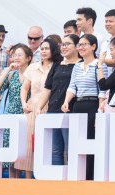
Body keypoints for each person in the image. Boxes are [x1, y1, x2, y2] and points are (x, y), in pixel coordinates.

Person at [62, 34, 106, 178]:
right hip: (78, 105)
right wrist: (66, 101)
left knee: (92, 141)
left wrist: (100, 111)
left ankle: (91, 175)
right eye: (79, 45)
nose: (81, 47)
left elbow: (103, 89)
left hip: (93, 105)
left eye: (84, 44)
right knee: (77, 141)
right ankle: (79, 174)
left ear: (93, 46)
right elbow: (72, 86)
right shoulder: (77, 66)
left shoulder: (99, 65)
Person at [20, 36, 57, 177]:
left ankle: (46, 176)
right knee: (29, 144)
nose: (44, 51)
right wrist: (24, 104)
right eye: (42, 49)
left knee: (46, 143)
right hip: (31, 108)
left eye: (47, 48)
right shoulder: (32, 67)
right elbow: (24, 88)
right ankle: (28, 179)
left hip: (49, 106)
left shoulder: (57, 66)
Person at [0, 44, 31, 177]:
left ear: (28, 58)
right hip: (11, 115)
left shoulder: (32, 74)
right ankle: (12, 180)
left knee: (25, 149)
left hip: (26, 114)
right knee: (11, 150)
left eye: (20, 55)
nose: (16, 58)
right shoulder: (12, 74)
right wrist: (8, 69)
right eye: (14, 55)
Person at [41, 35, 79, 166]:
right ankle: (56, 176)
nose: (64, 47)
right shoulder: (57, 64)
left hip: (70, 110)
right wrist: (39, 107)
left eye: (68, 44)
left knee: (71, 147)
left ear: (77, 46)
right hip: (53, 109)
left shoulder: (80, 64)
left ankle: (73, 175)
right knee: (55, 149)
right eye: (62, 44)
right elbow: (48, 87)